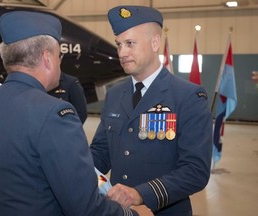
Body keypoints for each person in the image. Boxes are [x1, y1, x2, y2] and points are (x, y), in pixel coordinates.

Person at [0, 10, 153, 216]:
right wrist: (133, 215)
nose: (60, 63)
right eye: (59, 56)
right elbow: (84, 206)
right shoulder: (55, 113)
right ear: (47, 58)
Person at [90, 5, 213, 216]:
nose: (122, 53)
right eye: (119, 45)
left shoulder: (187, 97)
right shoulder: (114, 94)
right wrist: (72, 162)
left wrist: (141, 194)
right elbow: (100, 153)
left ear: (155, 42)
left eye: (130, 44)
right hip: (120, 211)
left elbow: (195, 171)